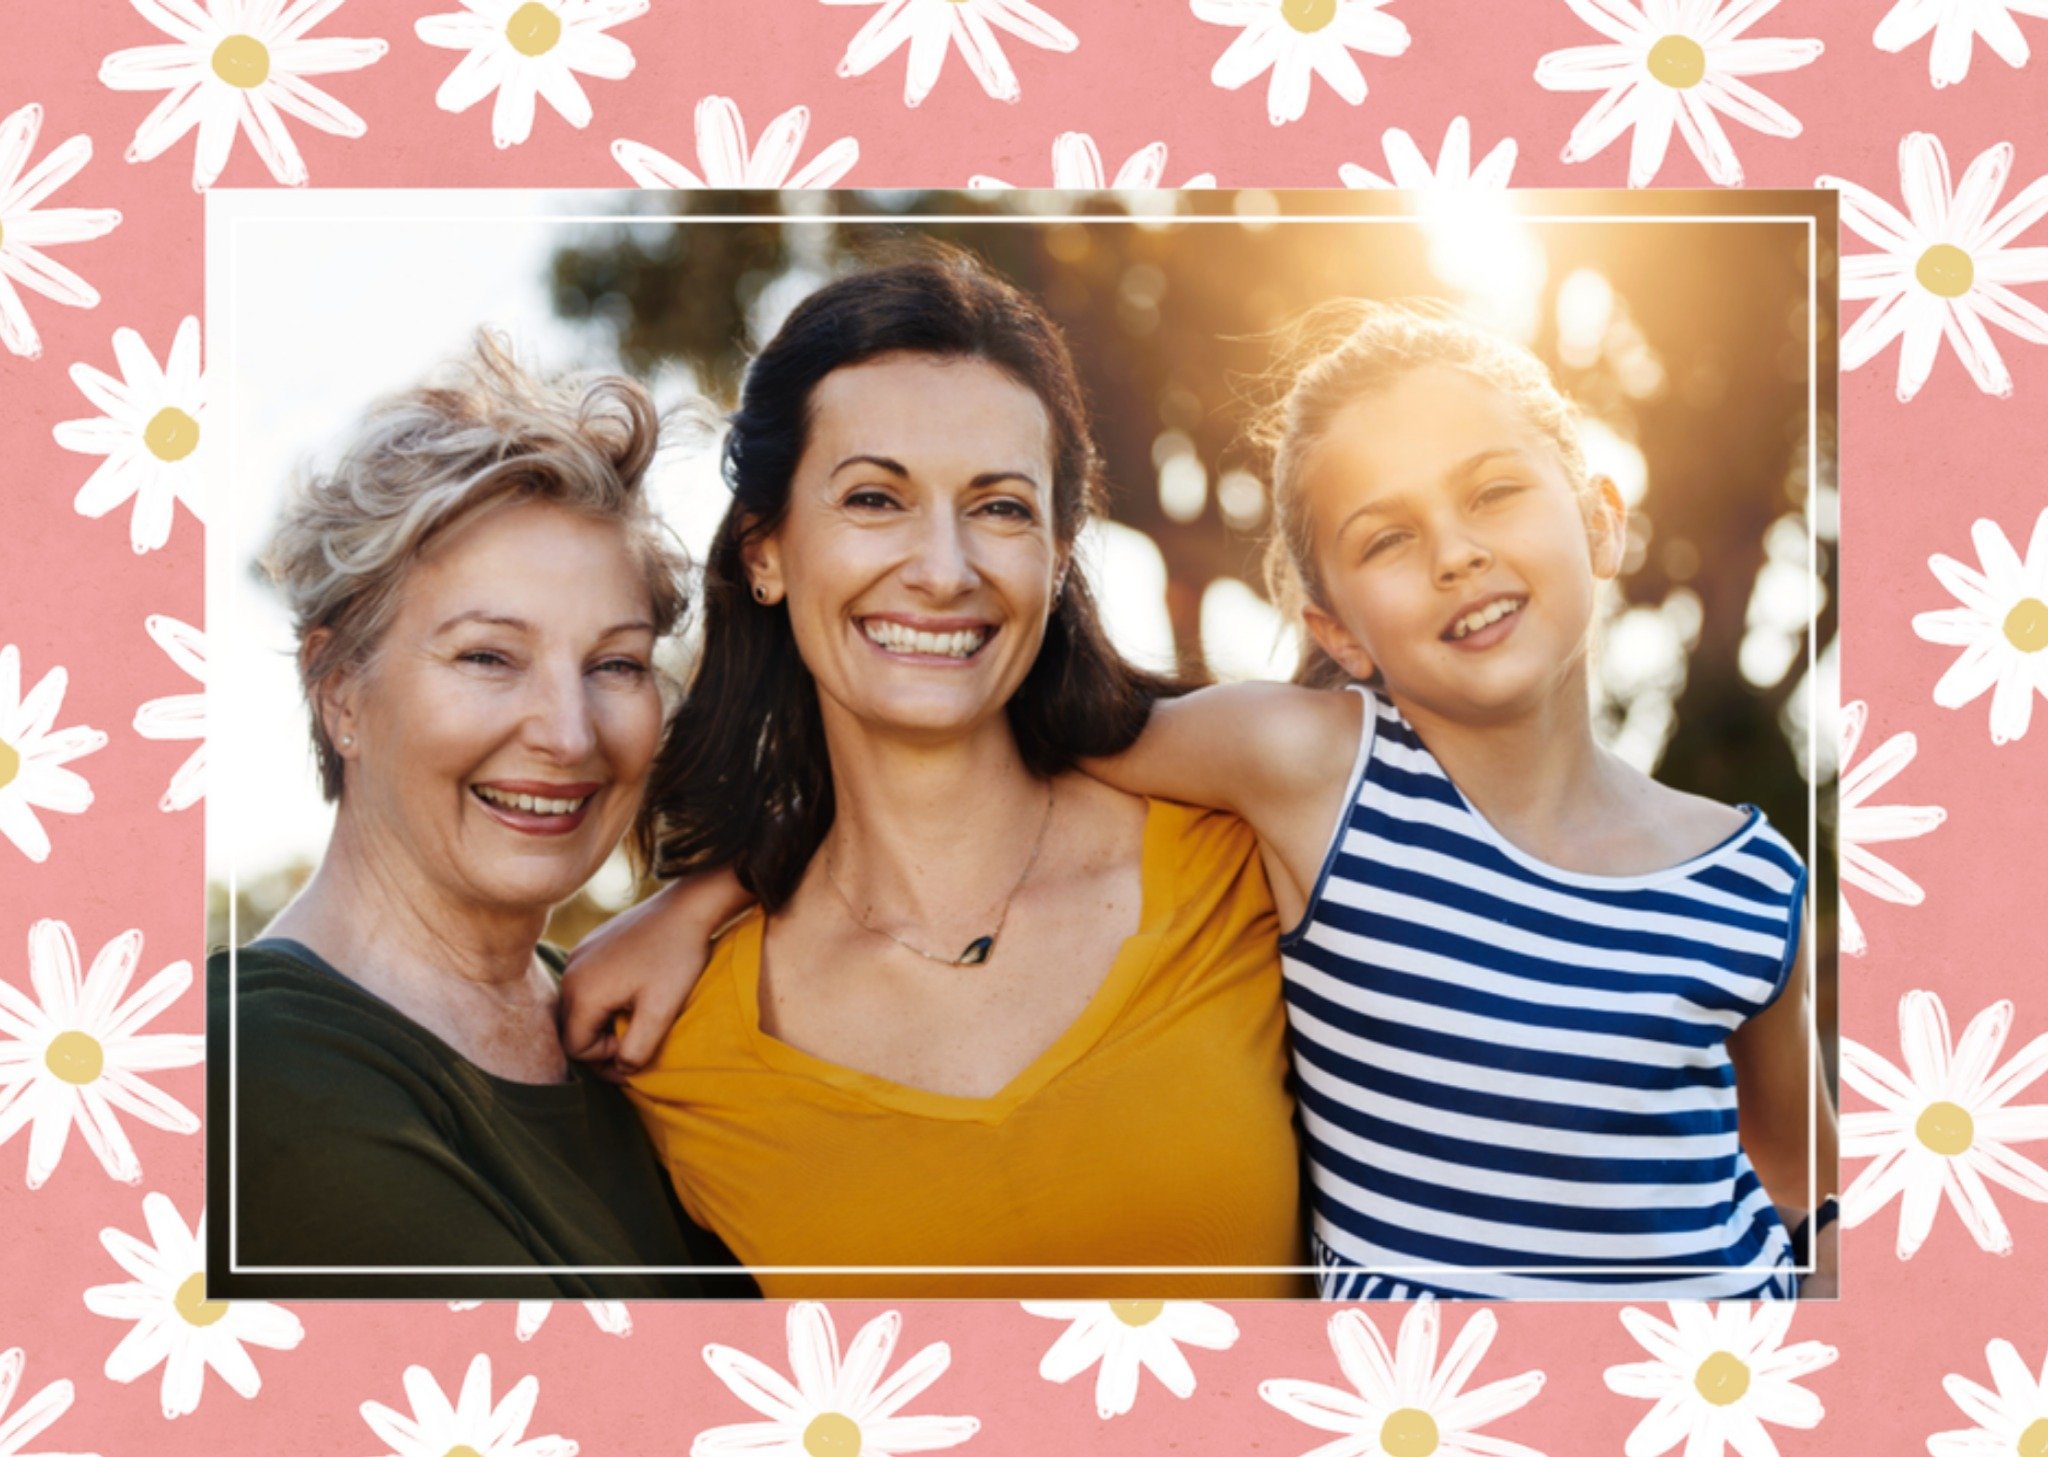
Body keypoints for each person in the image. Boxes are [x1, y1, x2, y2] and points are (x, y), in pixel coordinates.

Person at [562, 250, 1309, 1298]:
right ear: (766, 551)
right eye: (874, 497)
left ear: (1056, 554)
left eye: (1000, 507)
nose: (944, 568)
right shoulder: (673, 1047)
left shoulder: (1248, 867)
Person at [1078, 301, 1840, 1300]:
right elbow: (1056, 723)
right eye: (1386, 537)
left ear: (1599, 521)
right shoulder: (1312, 768)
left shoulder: (1748, 876)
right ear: (1338, 630)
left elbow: (1803, 1180)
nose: (1453, 553)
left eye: (1492, 490)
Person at [205, 336, 750, 1299]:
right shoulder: (258, 1074)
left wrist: (718, 893)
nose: (570, 733)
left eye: (617, 663)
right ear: (338, 692)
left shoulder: (620, 1015)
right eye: (488, 657)